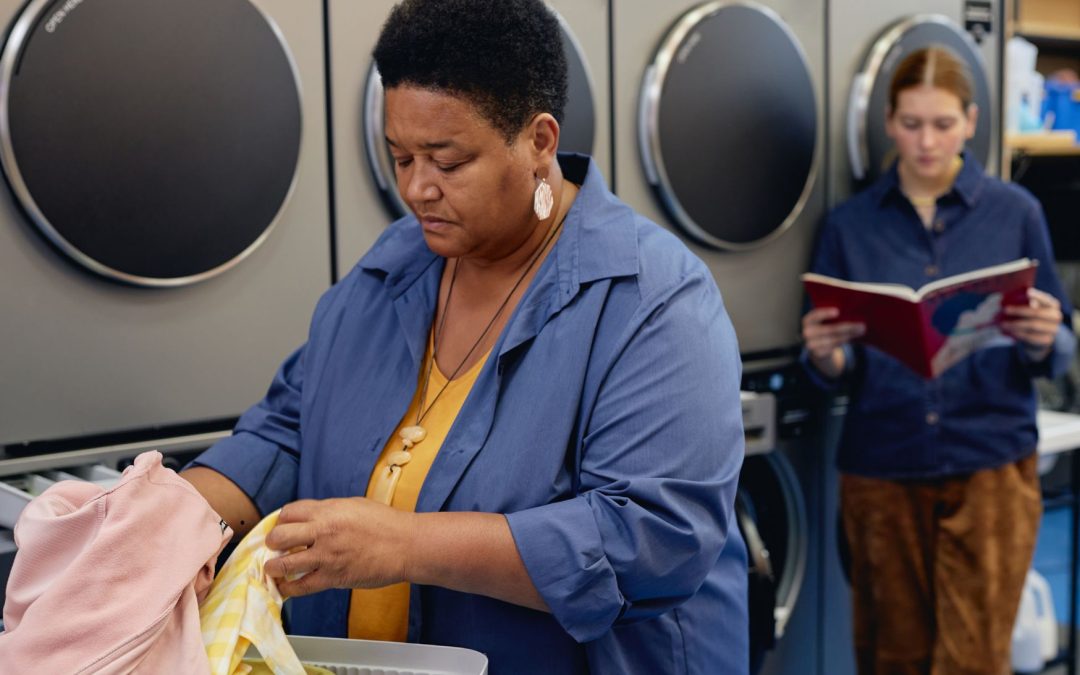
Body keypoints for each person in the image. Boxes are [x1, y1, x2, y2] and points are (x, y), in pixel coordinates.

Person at [181, 1, 749, 672]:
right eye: (400, 156)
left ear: (539, 140)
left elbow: (652, 538)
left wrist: (406, 544)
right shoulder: (393, 268)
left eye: (448, 162)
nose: (418, 188)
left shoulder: (652, 298)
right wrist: (171, 521)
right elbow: (287, 428)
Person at [802, 45, 1076, 674]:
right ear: (889, 122)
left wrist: (1042, 335)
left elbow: (1059, 349)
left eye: (944, 124)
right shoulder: (850, 226)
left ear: (971, 121)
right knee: (890, 658)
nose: (927, 141)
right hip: (882, 470)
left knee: (974, 661)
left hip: (991, 469)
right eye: (911, 123)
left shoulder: (1015, 213)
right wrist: (827, 356)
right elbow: (839, 366)